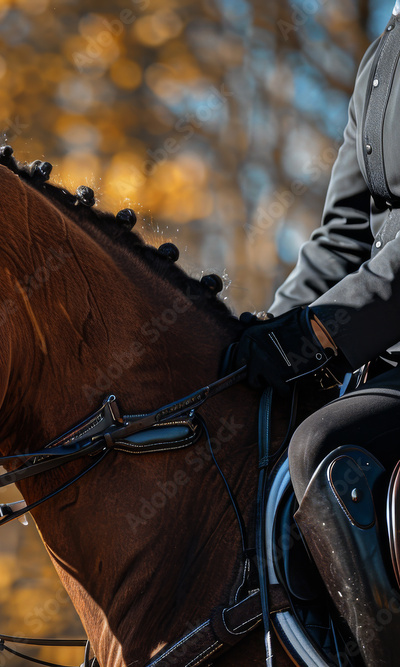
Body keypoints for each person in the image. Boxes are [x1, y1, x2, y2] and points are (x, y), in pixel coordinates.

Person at [227, 4, 400, 664]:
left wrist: (321, 332)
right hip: (381, 350)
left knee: (323, 444)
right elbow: (345, 233)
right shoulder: (384, 52)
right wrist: (270, 330)